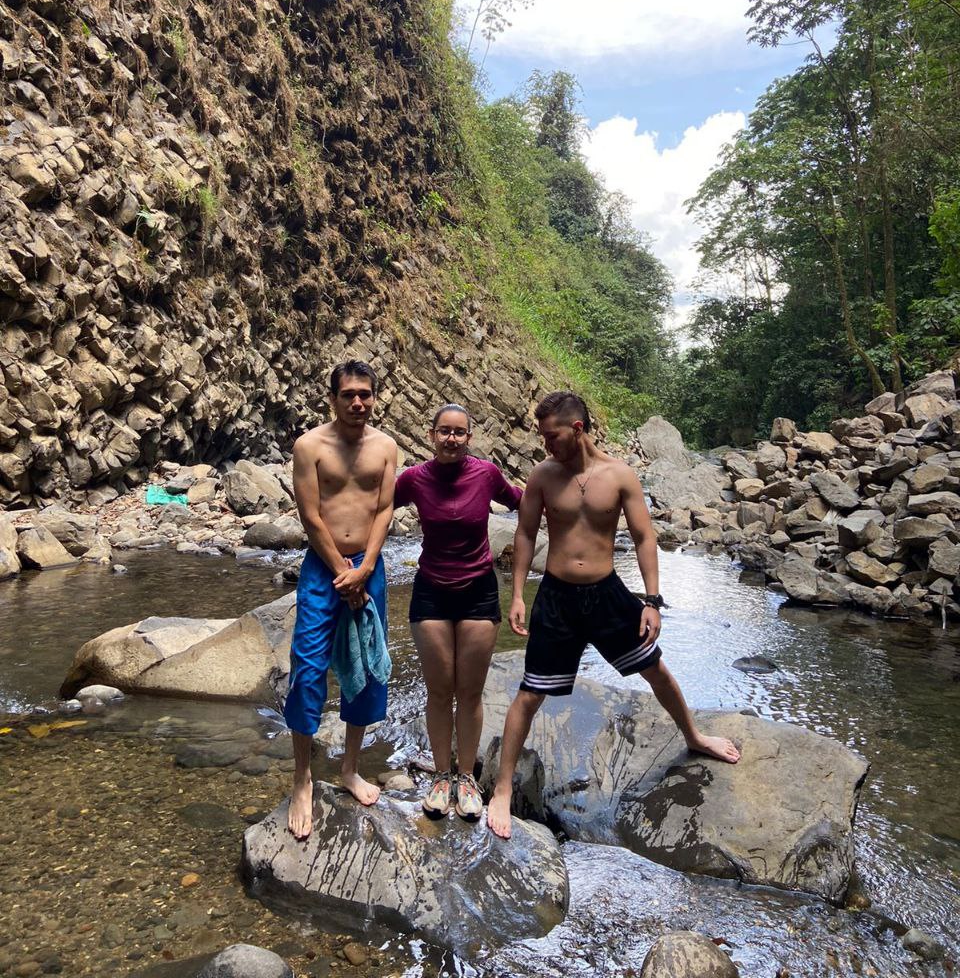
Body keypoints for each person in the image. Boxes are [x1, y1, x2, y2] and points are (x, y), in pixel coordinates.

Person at [487, 390, 740, 839]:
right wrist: (520, 594)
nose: (546, 445)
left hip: (607, 595)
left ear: (577, 429)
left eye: (552, 436)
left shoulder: (619, 475)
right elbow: (525, 534)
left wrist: (653, 601)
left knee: (656, 669)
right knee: (530, 694)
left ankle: (694, 737)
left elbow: (644, 536)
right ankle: (503, 788)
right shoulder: (543, 476)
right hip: (557, 598)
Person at [284, 359, 398, 839]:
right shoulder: (310, 446)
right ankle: (302, 777)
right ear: (332, 397)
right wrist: (341, 571)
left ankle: (350, 768)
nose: (358, 402)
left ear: (374, 397)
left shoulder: (386, 447)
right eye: (349, 394)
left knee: (368, 668)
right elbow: (310, 515)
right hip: (323, 569)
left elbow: (385, 507)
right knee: (308, 669)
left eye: (366, 394)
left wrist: (366, 568)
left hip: (367, 569)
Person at [393, 403, 523, 820]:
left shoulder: (486, 474)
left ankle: (465, 778)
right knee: (438, 690)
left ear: (470, 437)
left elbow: (524, 502)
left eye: (459, 432)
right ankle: (441, 776)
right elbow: (376, 508)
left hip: (479, 591)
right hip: (430, 590)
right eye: (444, 431)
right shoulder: (414, 478)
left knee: (469, 691)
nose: (451, 438)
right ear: (431, 435)